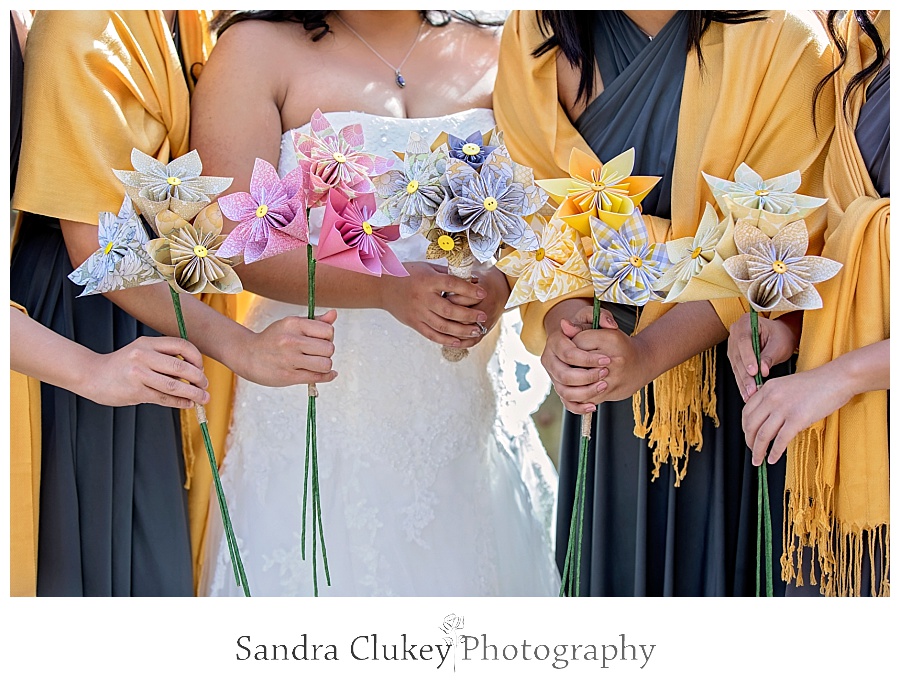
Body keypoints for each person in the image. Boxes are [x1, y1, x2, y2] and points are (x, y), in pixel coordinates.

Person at [190, 9, 560, 596]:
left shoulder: (504, 47)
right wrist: (384, 288)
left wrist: (501, 285)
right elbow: (234, 240)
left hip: (462, 413)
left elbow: (546, 204)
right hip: (316, 398)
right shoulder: (254, 49)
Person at [494, 10, 835, 595]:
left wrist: (647, 353)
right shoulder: (538, 26)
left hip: (746, 381)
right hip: (605, 388)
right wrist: (565, 326)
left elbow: (778, 231)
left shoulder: (787, 34)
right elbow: (528, 202)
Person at [10, 10, 337, 596]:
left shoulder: (193, 19)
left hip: (174, 303)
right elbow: (97, 245)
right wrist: (243, 347)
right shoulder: (82, 27)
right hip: (92, 311)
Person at [727, 9, 889, 596]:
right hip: (843, 407)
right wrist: (790, 321)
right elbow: (848, 228)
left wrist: (843, 376)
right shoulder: (855, 41)